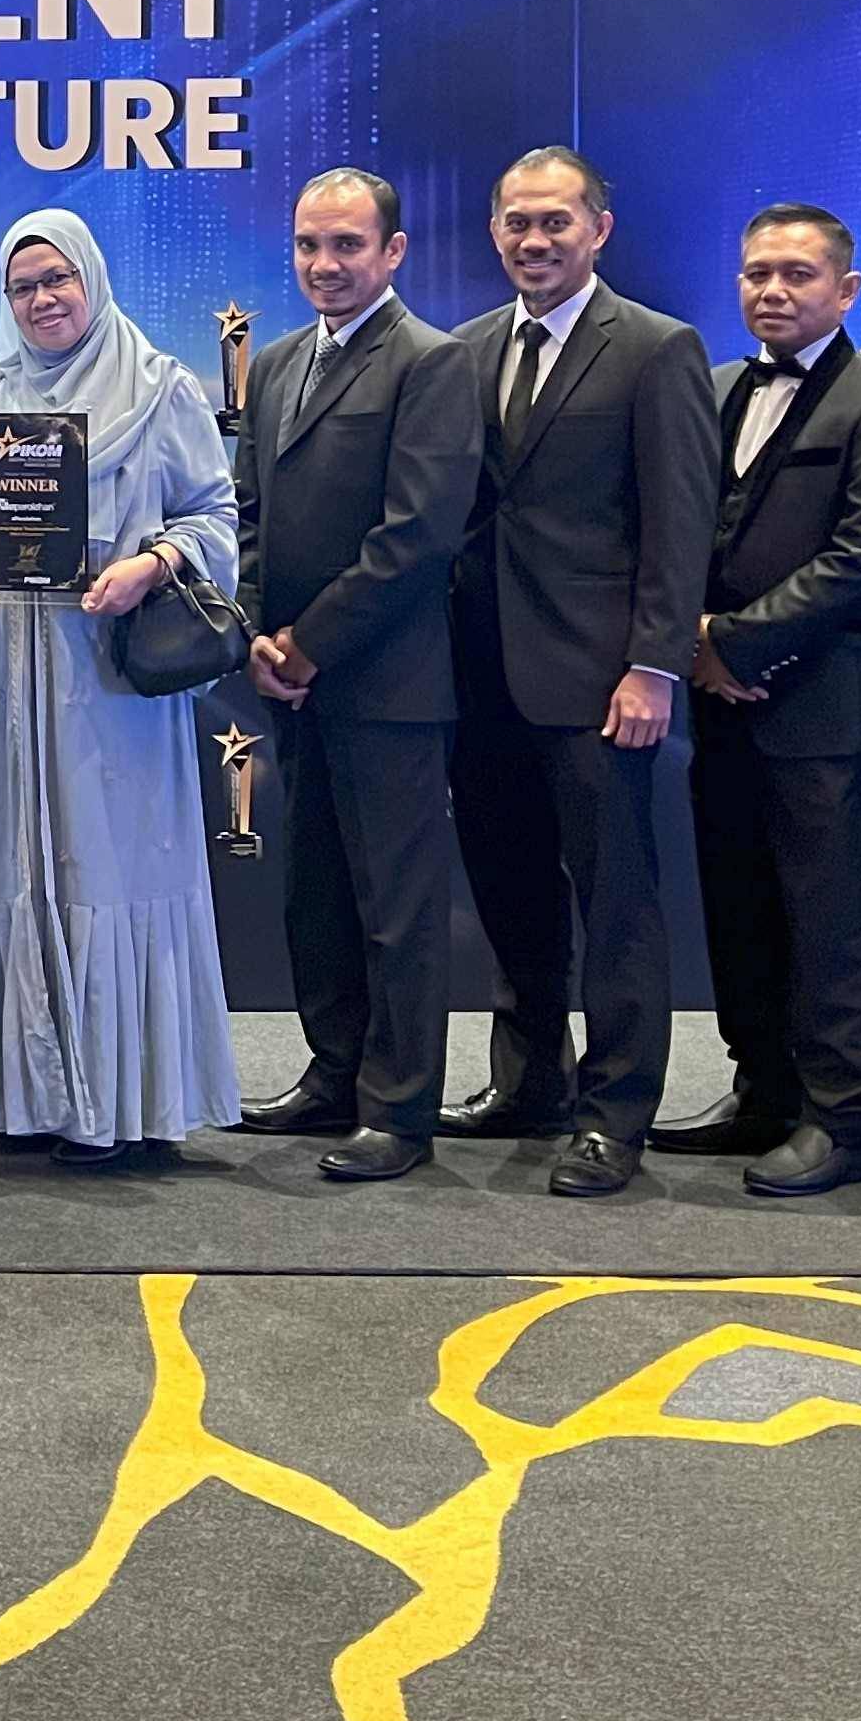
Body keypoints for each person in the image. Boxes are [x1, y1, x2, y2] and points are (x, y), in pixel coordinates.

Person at [0, 212, 243, 1162]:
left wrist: (151, 564)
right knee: (15, 865)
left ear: (92, 279)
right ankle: (17, 1099)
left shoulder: (158, 387)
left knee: (109, 871)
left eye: (58, 279)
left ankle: (115, 1100)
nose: (43, 300)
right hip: (10, 687)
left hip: (108, 687)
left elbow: (216, 515)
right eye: (23, 288)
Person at [442, 148, 718, 1197]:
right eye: (517, 222)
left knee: (617, 908)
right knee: (513, 897)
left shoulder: (655, 349)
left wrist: (655, 665)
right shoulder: (468, 351)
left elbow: (679, 524)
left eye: (556, 221)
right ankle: (530, 1084)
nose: (534, 240)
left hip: (604, 683)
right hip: (481, 680)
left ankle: (615, 1113)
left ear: (600, 228)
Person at [662, 207, 861, 1199]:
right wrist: (693, 642)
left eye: (797, 275)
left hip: (823, 707)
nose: (773, 291)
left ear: (846, 291)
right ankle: (760, 1089)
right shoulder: (723, 387)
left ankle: (839, 1119)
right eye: (757, 273)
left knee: (829, 920)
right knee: (740, 908)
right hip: (719, 704)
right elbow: (686, 525)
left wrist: (735, 643)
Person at [231, 167, 482, 1184]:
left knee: (398, 906)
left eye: (345, 246)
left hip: (390, 686)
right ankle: (333, 1071)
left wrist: (309, 642)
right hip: (295, 683)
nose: (324, 265)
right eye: (307, 246)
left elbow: (417, 535)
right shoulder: (281, 361)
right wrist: (256, 632)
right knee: (318, 894)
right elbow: (247, 517)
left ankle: (399, 1107)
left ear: (393, 252)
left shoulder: (433, 363)